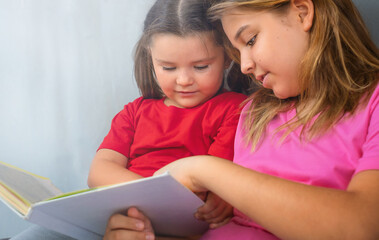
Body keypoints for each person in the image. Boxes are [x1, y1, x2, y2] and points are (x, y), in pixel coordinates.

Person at [107, 0, 379, 239]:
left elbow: (362, 227)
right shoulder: (254, 113)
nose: (244, 65)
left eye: (250, 40)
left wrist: (203, 170)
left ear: (302, 12)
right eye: (237, 52)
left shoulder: (372, 104)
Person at [10, 0, 250, 239]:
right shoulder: (135, 112)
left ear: (227, 57)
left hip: (180, 226)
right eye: (168, 68)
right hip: (114, 219)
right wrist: (152, 198)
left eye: (200, 66)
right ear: (151, 59)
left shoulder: (234, 110)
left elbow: (215, 181)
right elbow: (99, 172)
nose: (184, 80)